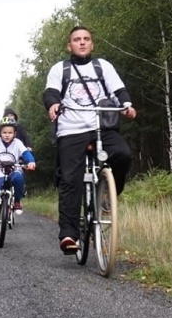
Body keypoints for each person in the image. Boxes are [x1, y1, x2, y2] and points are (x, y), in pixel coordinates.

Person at [42, 25, 136, 253]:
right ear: (69, 45)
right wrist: (53, 104)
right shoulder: (60, 69)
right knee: (70, 178)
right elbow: (51, 92)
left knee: (123, 154)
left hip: (102, 126)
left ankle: (107, 194)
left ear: (92, 44)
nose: (82, 42)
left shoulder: (103, 66)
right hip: (71, 129)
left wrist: (127, 105)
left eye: (86, 39)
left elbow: (119, 90)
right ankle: (68, 235)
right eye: (77, 39)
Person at [0, 119, 36, 234]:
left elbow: (26, 153)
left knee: (18, 178)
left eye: (10, 132)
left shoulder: (18, 143)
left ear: (14, 133)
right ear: (0, 133)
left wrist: (31, 161)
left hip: (15, 169)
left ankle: (17, 202)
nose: (7, 135)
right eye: (4, 132)